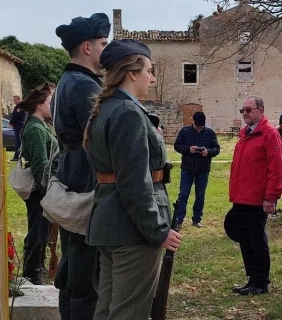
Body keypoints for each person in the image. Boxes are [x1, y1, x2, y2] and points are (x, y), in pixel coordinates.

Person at [83, 40, 182, 320]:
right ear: (132, 73)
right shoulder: (127, 113)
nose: (152, 78)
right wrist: (157, 230)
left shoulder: (108, 109)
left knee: (107, 311)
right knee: (129, 313)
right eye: (149, 71)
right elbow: (134, 182)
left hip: (112, 223)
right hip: (132, 230)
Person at [51, 12, 110, 319]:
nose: (106, 49)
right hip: (86, 174)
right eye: (103, 43)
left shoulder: (68, 81)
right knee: (86, 269)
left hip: (74, 169)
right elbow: (102, 137)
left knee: (74, 262)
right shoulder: (83, 85)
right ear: (87, 47)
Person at [228, 96, 282, 295]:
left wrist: (271, 196)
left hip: (256, 198)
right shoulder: (245, 134)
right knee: (245, 238)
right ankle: (252, 278)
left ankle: (261, 281)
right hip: (241, 196)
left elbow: (276, 168)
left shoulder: (269, 134)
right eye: (243, 110)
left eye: (249, 110)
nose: (245, 114)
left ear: (260, 110)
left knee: (256, 239)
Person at [19, 83, 56, 285]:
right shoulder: (35, 129)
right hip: (40, 191)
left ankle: (37, 268)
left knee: (43, 231)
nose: (53, 105)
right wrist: (49, 192)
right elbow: (41, 166)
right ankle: (31, 273)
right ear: (40, 105)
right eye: (50, 101)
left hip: (45, 190)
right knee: (37, 232)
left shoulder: (42, 125)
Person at [173, 111, 221, 228]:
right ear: (192, 121)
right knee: (183, 194)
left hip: (203, 169)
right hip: (187, 168)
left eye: (201, 126)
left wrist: (207, 152)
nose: (199, 127)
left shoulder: (210, 133)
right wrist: (189, 149)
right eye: (197, 125)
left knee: (200, 195)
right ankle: (179, 219)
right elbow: (177, 146)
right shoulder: (185, 131)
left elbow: (217, 149)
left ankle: (197, 219)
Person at [9, 95, 28, 161]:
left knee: (18, 141)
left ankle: (17, 156)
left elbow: (16, 116)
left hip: (19, 125)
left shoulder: (20, 107)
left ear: (19, 99)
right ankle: (19, 155)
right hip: (19, 125)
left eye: (15, 99)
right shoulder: (21, 106)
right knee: (19, 141)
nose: (14, 101)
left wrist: (11, 122)